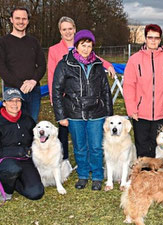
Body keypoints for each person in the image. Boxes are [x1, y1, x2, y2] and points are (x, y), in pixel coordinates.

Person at [47, 16, 116, 160]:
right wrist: (55, 100)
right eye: (64, 29)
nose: (67, 32)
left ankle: (92, 160)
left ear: (75, 29)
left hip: (87, 100)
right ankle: (65, 159)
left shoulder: (83, 43)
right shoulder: (54, 50)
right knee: (65, 132)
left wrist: (108, 65)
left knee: (89, 135)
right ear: (60, 31)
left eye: (70, 29)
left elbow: (95, 59)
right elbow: (52, 76)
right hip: (67, 99)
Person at [52, 30, 113, 191]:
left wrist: (109, 115)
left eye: (89, 45)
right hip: (74, 112)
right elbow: (56, 91)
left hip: (96, 112)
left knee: (95, 146)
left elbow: (106, 90)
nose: (86, 49)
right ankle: (83, 175)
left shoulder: (98, 65)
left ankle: (98, 176)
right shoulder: (65, 64)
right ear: (76, 46)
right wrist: (61, 116)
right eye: (83, 45)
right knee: (79, 146)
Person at [123, 24, 163, 158]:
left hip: (162, 113)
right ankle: (144, 175)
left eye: (156, 38)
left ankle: (158, 176)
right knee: (142, 146)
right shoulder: (134, 60)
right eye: (150, 37)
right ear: (145, 38)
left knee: (161, 148)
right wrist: (132, 108)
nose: (153, 41)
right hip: (141, 113)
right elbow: (129, 86)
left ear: (160, 39)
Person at [0, 7, 46, 122]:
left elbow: (42, 65)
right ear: (11, 20)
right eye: (17, 18)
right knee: (15, 126)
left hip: (33, 90)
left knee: (31, 124)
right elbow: (2, 68)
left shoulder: (34, 42)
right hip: (12, 91)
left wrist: (33, 81)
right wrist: (20, 85)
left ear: (28, 21)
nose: (21, 21)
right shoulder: (3, 42)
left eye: (24, 19)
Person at [0, 88, 44, 201]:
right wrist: (20, 151)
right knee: (12, 168)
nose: (14, 104)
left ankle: (13, 181)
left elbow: (36, 138)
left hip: (25, 159)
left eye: (18, 100)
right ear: (4, 103)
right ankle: (7, 190)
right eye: (10, 101)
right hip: (5, 159)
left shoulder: (26, 118)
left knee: (36, 193)